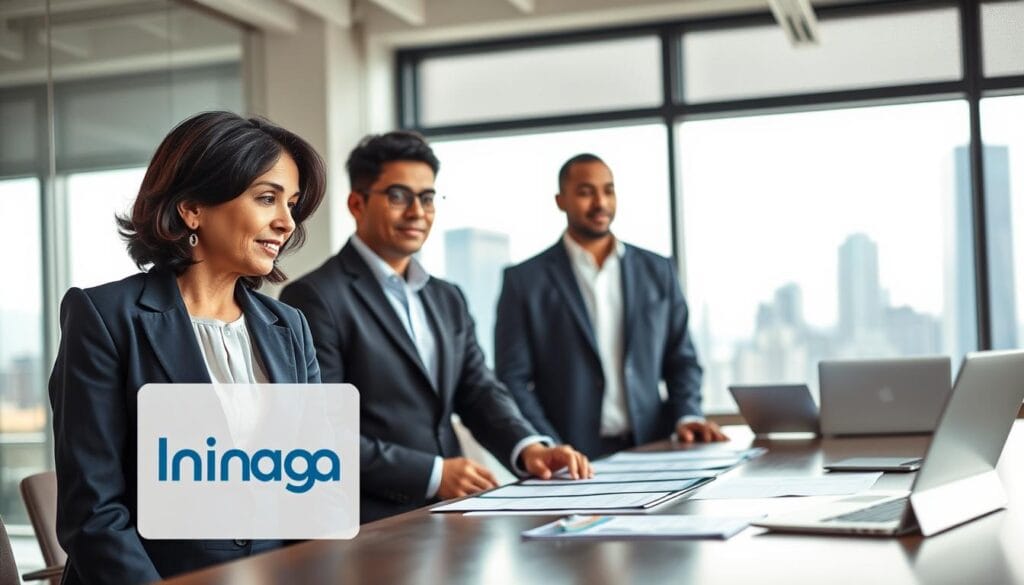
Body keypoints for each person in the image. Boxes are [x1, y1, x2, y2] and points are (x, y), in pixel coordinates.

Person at [49, 111, 327, 585]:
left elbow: (314, 490)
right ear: (192, 208)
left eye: (292, 204)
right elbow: (94, 514)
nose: (286, 222)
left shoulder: (290, 326)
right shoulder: (104, 318)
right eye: (267, 198)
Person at [279, 131, 592, 523]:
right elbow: (320, 431)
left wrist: (530, 448)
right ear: (357, 204)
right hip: (367, 522)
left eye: (427, 198)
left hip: (453, 514)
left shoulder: (447, 297)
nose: (417, 212)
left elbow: (478, 390)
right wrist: (433, 474)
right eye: (398, 196)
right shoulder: (313, 298)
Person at [494, 153, 727, 459]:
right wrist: (547, 445)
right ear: (560, 201)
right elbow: (512, 379)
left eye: (608, 190)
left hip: (654, 448)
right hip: (571, 457)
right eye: (585, 192)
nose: (600, 202)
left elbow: (682, 359)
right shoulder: (525, 280)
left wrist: (688, 414)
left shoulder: (658, 270)